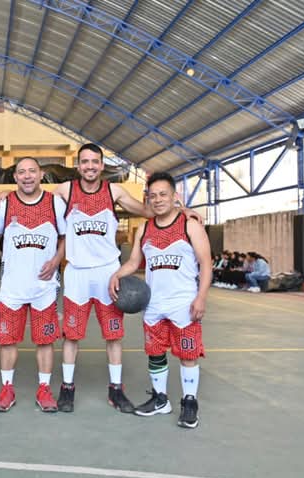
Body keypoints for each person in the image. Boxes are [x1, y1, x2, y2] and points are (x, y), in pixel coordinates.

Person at [51, 143, 201, 413]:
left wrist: (183, 209)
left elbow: (148, 211)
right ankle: (67, 388)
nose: (90, 166)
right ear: (78, 165)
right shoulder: (65, 190)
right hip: (76, 273)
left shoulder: (114, 191)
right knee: (71, 336)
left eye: (95, 161)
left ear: (101, 165)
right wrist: (1, 196)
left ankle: (116, 390)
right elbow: (36, 200)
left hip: (108, 272)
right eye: (84, 161)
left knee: (114, 336)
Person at [109, 172, 211, 429]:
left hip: (183, 302)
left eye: (163, 194)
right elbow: (134, 262)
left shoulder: (190, 225)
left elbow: (206, 263)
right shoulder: (144, 229)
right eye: (152, 196)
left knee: (188, 354)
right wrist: (117, 275)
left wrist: (201, 297)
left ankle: (190, 402)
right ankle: (160, 399)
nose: (158, 199)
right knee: (155, 353)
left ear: (175, 196)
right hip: (153, 303)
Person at [0, 157, 67, 413]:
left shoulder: (55, 203)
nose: (27, 176)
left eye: (32, 171)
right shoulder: (5, 204)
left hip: (44, 288)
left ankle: (44, 389)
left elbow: (65, 238)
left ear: (41, 175)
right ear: (15, 177)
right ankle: (7, 388)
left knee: (45, 341)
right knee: (7, 341)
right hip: (12, 289)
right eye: (21, 172)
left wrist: (56, 261)